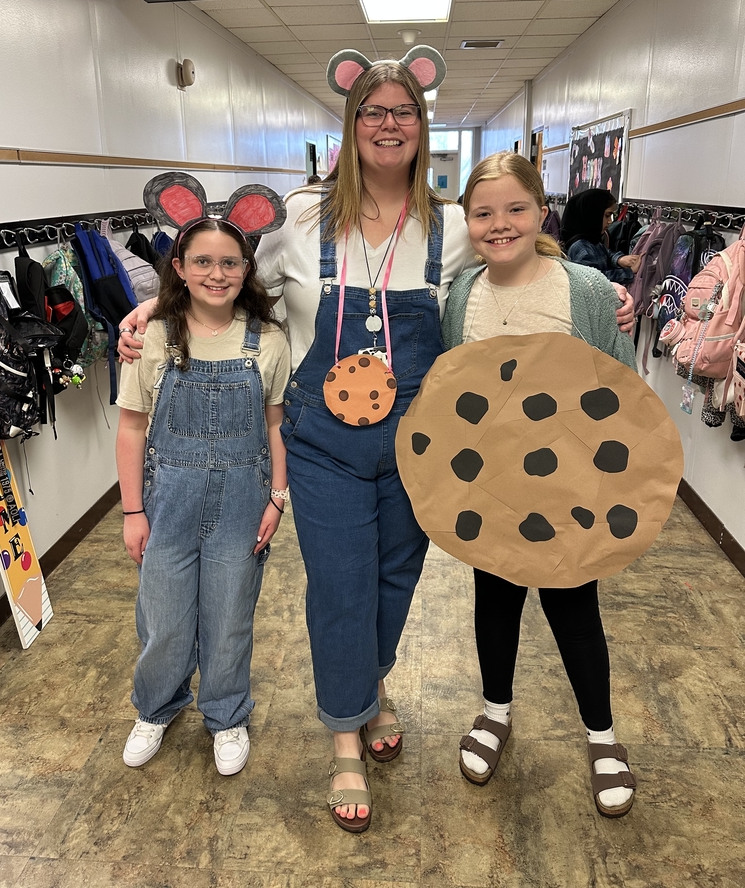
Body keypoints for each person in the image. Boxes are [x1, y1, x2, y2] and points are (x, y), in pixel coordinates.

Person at [118, 48, 636, 832]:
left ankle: (373, 687)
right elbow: (222, 284)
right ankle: (345, 744)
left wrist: (605, 293)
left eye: (403, 111)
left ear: (421, 126)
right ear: (351, 126)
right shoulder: (298, 219)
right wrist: (148, 316)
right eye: (373, 111)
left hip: (422, 444)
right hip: (323, 443)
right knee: (339, 588)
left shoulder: (456, 226)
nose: (388, 124)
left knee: (396, 583)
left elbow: (518, 254)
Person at [441, 151, 638, 818]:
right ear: (466, 220)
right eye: (483, 213)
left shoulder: (583, 289)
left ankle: (602, 735)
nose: (500, 225)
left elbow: (622, 386)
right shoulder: (464, 293)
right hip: (490, 486)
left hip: (570, 487)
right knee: (494, 597)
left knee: (573, 605)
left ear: (541, 211)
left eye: (515, 209)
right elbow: (452, 389)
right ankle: (496, 710)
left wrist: (618, 482)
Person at [116, 217, 290, 778]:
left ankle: (226, 714)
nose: (217, 274)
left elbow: (275, 426)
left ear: (247, 269)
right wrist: (132, 511)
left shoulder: (267, 340)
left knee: (229, 615)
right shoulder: (155, 337)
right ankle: (156, 708)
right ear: (180, 268)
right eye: (203, 262)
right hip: (167, 502)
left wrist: (277, 497)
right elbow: (131, 428)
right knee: (163, 616)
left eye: (230, 263)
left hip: (243, 503)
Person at [560, 187, 640, 283]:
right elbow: (594, 280)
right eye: (607, 215)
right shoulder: (580, 247)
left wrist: (618, 259)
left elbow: (605, 253)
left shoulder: (591, 240)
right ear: (592, 215)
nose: (610, 221)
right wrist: (629, 272)